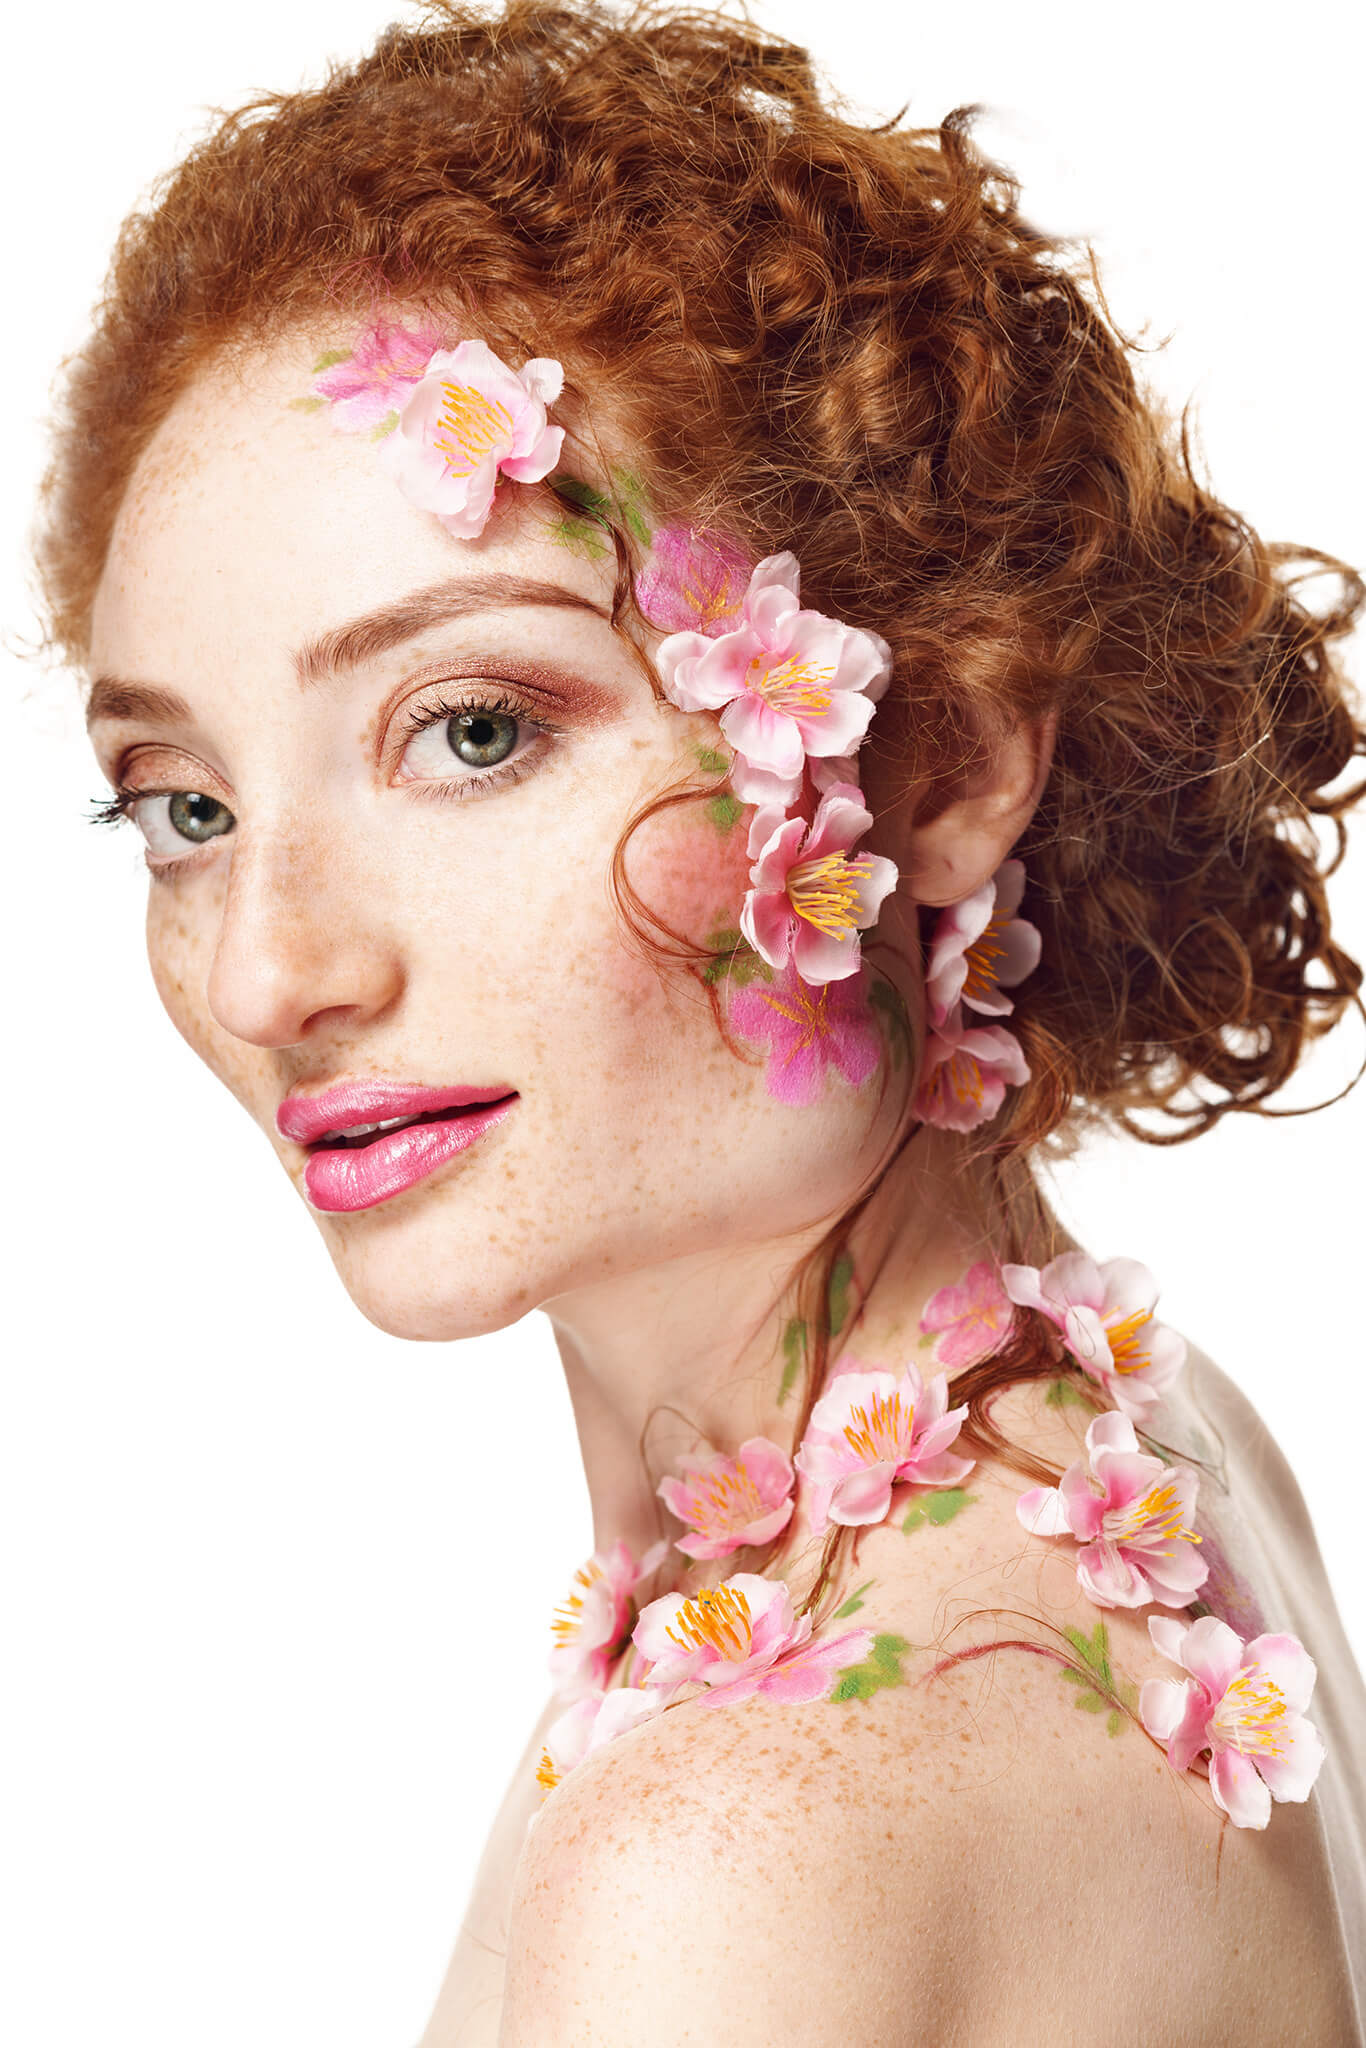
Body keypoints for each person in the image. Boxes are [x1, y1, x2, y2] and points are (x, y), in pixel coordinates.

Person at [31, 1, 1365, 2039]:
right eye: (186, 809)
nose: (264, 973)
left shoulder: (724, 1855)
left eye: (471, 730)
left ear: (929, 761)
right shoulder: (1140, 1440)